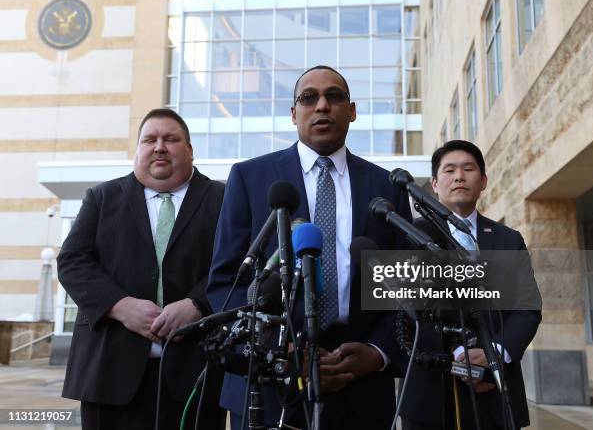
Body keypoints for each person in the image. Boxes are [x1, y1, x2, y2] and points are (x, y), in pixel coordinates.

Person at [207, 65, 412, 430]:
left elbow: (404, 287)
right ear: (293, 114)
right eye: (308, 98)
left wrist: (378, 353)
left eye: (334, 97)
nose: (321, 106)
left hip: (361, 384)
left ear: (352, 110)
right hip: (269, 383)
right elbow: (227, 282)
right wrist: (278, 351)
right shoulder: (249, 178)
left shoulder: (387, 187)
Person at [57, 108, 226, 430]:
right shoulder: (102, 198)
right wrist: (119, 306)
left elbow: (239, 264)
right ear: (137, 151)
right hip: (110, 375)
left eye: (171, 139)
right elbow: (72, 261)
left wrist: (197, 305)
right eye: (150, 139)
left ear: (190, 150)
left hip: (196, 373)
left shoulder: (224, 198)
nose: (159, 146)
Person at [399, 139, 542, 429]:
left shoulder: (507, 239)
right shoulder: (410, 236)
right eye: (449, 170)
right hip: (432, 391)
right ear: (435, 184)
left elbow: (527, 308)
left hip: (496, 387)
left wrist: (495, 354)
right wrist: (459, 357)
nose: (459, 176)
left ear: (484, 181)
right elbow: (403, 310)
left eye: (468, 169)